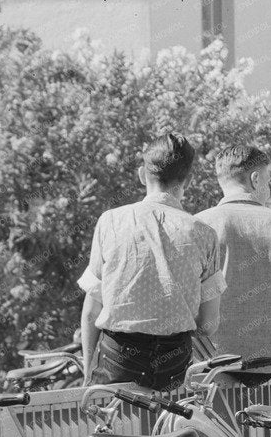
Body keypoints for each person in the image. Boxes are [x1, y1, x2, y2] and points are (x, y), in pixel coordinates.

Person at [75, 132, 224, 392]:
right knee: (170, 429)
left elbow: (91, 311)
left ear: (143, 174)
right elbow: (208, 323)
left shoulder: (110, 222)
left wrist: (88, 371)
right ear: (187, 179)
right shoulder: (204, 233)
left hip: (117, 359)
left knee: (115, 430)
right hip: (175, 362)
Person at [197, 144, 271, 386]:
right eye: (267, 181)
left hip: (212, 357)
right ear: (256, 179)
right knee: (265, 419)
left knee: (216, 422)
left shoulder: (198, 226)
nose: (267, 189)